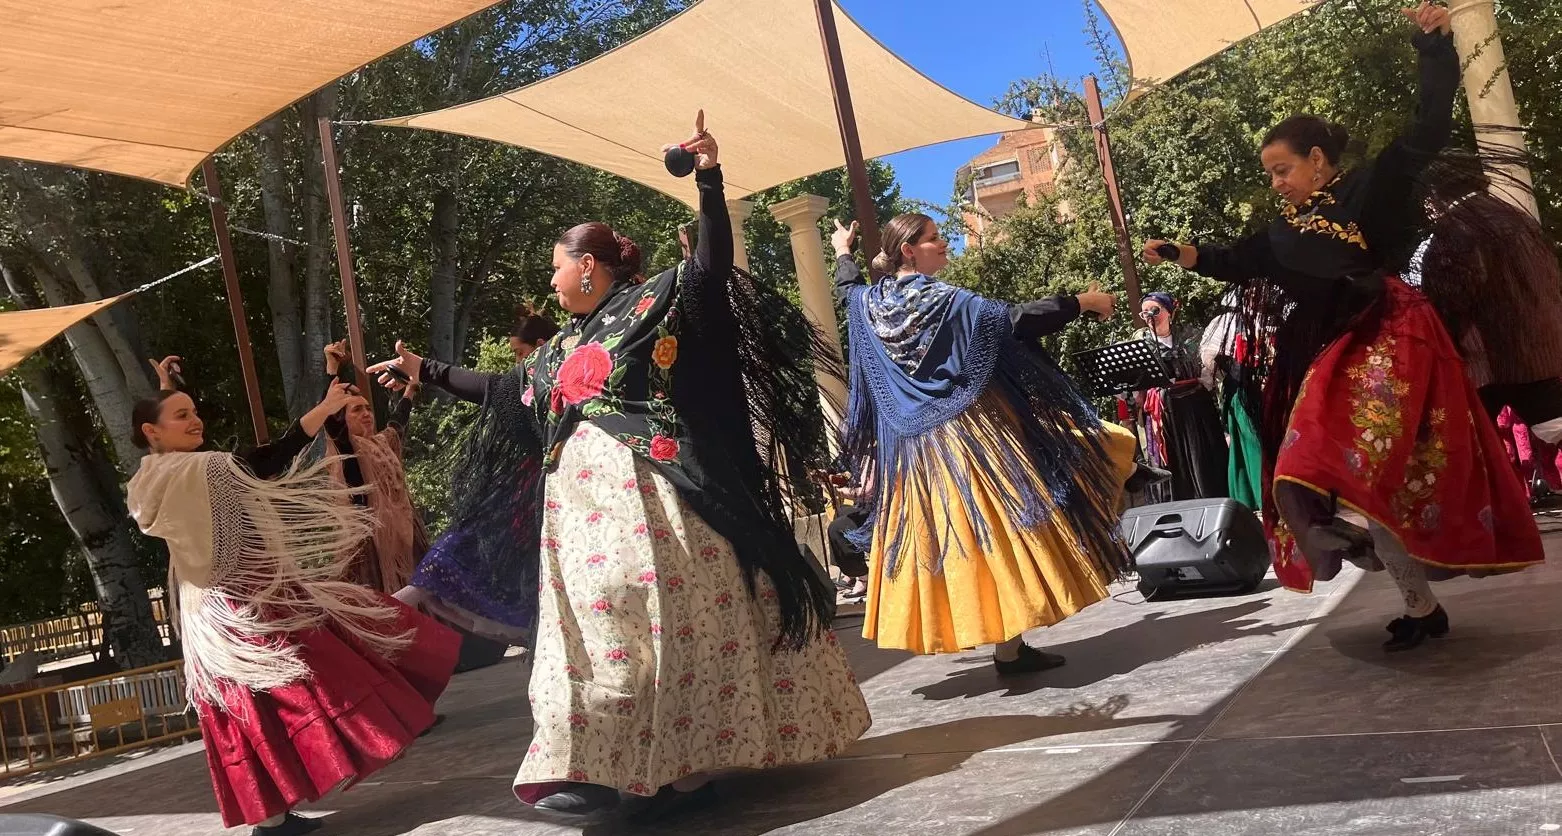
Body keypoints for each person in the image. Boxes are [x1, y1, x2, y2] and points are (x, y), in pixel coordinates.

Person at [370, 111, 869, 817]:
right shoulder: (559, 348)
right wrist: (430, 370)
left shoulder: (652, 303)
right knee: (600, 636)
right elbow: (508, 392)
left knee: (657, 630)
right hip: (578, 522)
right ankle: (612, 767)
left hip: (658, 506)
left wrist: (710, 181)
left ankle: (680, 772)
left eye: (553, 269)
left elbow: (709, 271)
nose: (549, 284)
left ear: (586, 265)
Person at [1143, 3, 1543, 651]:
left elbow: (1428, 129)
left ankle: (1355, 520)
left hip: (1391, 335)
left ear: (1320, 160)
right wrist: (1180, 255)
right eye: (1270, 173)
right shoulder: (1279, 233)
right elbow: (1233, 261)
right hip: (1331, 352)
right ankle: (1420, 605)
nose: (1275, 183)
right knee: (1327, 469)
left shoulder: (1369, 190)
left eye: (1282, 169)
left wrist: (1433, 47)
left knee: (1366, 473)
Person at [128, 357, 459, 836]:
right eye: (181, 415)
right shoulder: (199, 469)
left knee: (263, 695)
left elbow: (186, 461)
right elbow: (268, 459)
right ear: (152, 431)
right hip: (242, 602)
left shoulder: (149, 477)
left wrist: (164, 392)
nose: (195, 419)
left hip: (217, 606)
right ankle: (289, 802)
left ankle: (273, 815)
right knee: (306, 675)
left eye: (193, 410)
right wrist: (323, 409)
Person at [833, 212, 1138, 672]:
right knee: (1000, 532)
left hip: (915, 454)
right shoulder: (945, 300)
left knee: (954, 543)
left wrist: (841, 251)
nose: (946, 244)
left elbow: (847, 291)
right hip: (967, 437)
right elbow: (1015, 321)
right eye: (936, 239)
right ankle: (1009, 647)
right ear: (910, 250)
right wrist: (1084, 301)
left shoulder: (871, 304)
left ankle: (1004, 646)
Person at [1417, 169, 1562, 440]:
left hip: (1488, 360)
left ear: (1435, 197)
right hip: (1541, 348)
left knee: (1469, 446)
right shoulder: (1519, 218)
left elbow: (1446, 301)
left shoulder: (1454, 229)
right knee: (1555, 425)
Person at [320, 341, 424, 595]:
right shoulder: (347, 451)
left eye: (367, 408)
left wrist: (410, 390)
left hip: (405, 536)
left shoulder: (383, 443)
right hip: (369, 550)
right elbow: (332, 420)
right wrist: (332, 370)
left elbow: (398, 422)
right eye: (356, 410)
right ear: (343, 418)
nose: (366, 413)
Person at [1134, 291, 1229, 500]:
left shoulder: (1191, 335)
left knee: (1202, 455)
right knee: (1171, 458)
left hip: (1195, 404)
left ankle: (1212, 497)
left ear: (1169, 311)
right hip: (1164, 409)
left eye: (1155, 310)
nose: (1150, 316)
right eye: (1144, 313)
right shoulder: (1140, 342)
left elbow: (1208, 369)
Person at [1199, 288, 1266, 510]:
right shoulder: (1225, 322)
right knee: (1249, 442)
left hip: (1269, 388)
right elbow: (1209, 358)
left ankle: (1257, 497)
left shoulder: (1269, 318)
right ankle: (1259, 498)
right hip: (1241, 391)